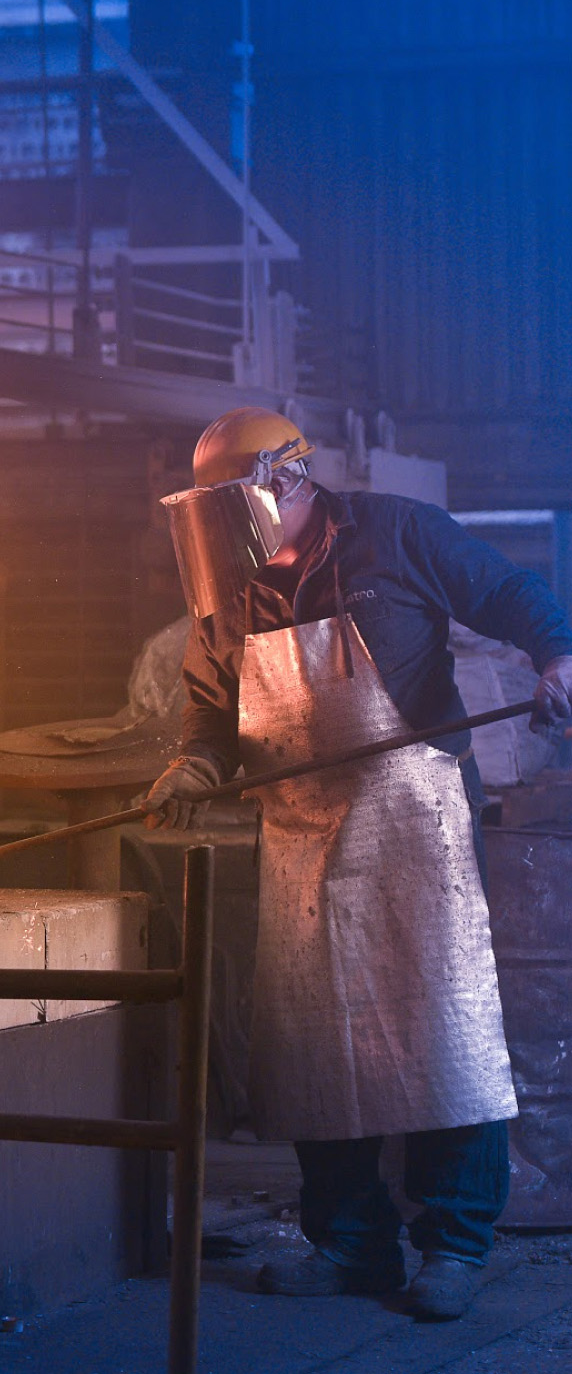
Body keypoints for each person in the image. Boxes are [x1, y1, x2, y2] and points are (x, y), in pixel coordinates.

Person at [144, 407, 572, 1320]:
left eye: (235, 505)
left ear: (288, 482)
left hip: (418, 825)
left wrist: (558, 658)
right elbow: (211, 719)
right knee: (310, 1048)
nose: (223, 530)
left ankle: (453, 1246)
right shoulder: (225, 589)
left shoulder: (397, 533)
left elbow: (512, 597)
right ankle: (352, 1244)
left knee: (443, 1036)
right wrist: (192, 765)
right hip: (301, 837)